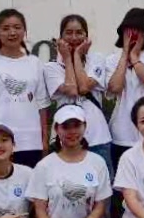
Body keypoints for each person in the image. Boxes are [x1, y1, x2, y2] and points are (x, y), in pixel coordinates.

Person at [0, 8, 51, 170]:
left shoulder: (35, 63)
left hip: (30, 143)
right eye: (6, 28)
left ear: (24, 31)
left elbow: (42, 106)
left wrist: (44, 141)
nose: (12, 33)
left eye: (17, 27)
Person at [105, 8, 144, 173]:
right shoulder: (113, 59)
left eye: (138, 30)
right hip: (122, 133)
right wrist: (125, 54)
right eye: (129, 30)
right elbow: (115, 87)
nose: (133, 35)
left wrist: (134, 57)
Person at [46, 14, 112, 167]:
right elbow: (72, 90)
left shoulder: (97, 59)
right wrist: (67, 59)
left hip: (97, 138)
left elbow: (84, 87)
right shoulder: (52, 67)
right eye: (69, 33)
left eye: (79, 33)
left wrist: (76, 55)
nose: (74, 37)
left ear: (86, 37)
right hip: (65, 140)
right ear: (61, 37)